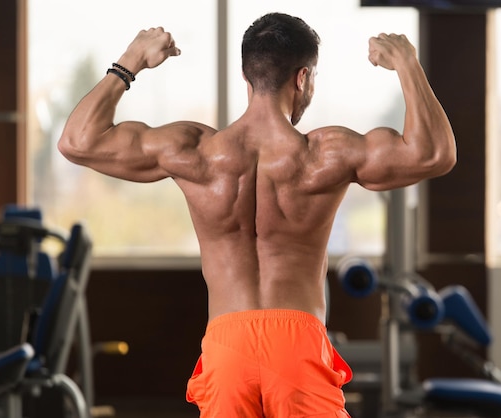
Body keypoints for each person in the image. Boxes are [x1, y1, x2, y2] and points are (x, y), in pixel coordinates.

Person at [58, 12, 456, 418]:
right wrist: (407, 62)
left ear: (247, 78)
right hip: (298, 342)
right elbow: (435, 154)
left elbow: (77, 141)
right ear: (302, 78)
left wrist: (131, 60)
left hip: (226, 343)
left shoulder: (194, 151)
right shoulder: (326, 155)